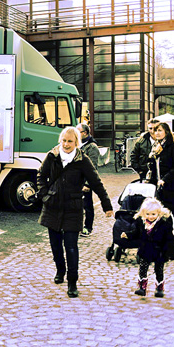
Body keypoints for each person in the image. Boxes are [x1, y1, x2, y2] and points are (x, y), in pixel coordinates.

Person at [35, 126, 113, 298]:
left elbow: (96, 182)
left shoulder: (83, 160)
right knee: (55, 245)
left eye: (70, 141)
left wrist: (107, 205)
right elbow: (40, 175)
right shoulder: (52, 156)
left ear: (77, 142)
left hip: (73, 207)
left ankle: (72, 281)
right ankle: (60, 270)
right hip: (53, 206)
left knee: (71, 247)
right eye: (64, 140)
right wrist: (44, 194)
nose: (66, 144)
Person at [147, 122, 174, 255]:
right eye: (155, 131)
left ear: (166, 132)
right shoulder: (157, 147)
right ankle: (167, 241)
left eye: (160, 130)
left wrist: (165, 179)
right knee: (163, 215)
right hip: (161, 188)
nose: (157, 133)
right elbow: (155, 167)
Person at [121, 198, 174, 297]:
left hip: (159, 250)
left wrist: (171, 253)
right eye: (148, 214)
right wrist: (128, 235)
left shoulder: (164, 224)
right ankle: (142, 287)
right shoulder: (141, 222)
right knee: (143, 268)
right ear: (143, 213)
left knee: (159, 269)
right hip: (145, 249)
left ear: (159, 213)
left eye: (153, 214)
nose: (150, 217)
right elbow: (136, 233)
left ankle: (159, 288)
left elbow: (170, 238)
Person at [76, 123, 100, 237]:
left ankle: (88, 227)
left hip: (85, 181)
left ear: (85, 133)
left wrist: (87, 184)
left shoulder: (92, 147)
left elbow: (92, 167)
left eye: (78, 132)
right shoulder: (77, 145)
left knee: (87, 205)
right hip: (75, 181)